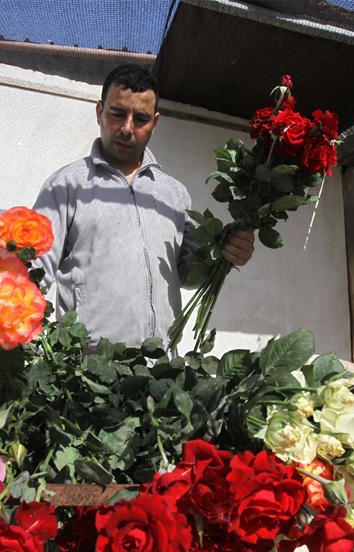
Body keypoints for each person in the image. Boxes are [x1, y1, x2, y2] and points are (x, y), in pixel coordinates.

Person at [32, 64, 254, 348]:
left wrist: (225, 253)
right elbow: (34, 272)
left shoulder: (173, 194)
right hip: (88, 364)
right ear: (99, 112)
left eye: (140, 119)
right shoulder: (66, 186)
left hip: (160, 363)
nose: (127, 128)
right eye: (117, 113)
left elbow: (189, 275)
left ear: (155, 122)